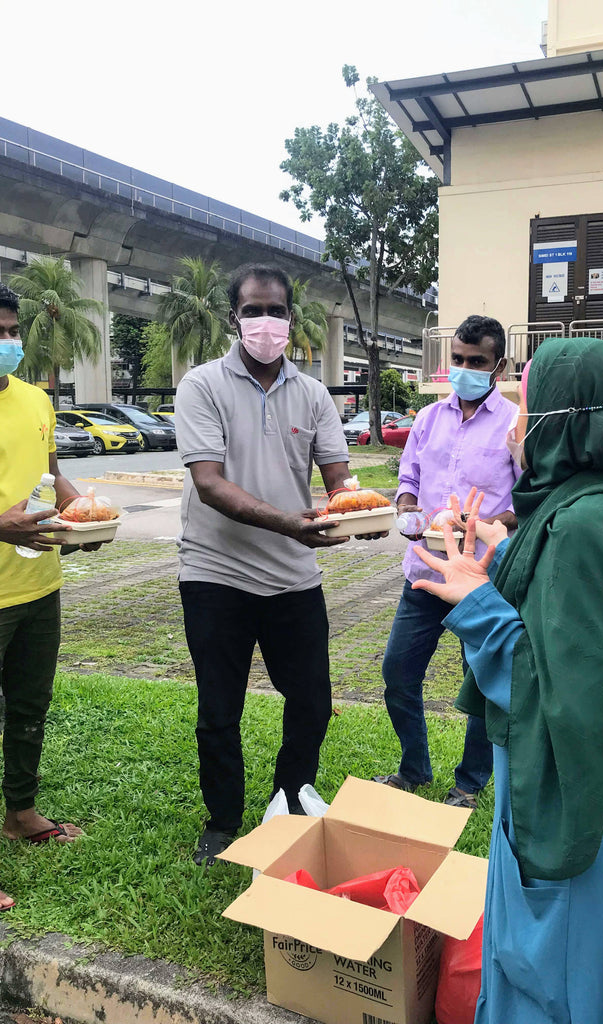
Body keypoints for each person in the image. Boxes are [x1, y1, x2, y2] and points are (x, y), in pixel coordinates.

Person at [414, 336, 603, 1023]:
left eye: (527, 408)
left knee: (569, 989)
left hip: (594, 817)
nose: (514, 423)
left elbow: (564, 699)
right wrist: (503, 547)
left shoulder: (582, 529)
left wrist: (476, 602)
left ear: (563, 422)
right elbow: (576, 624)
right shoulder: (598, 504)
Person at [175, 263, 359, 867]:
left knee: (310, 697)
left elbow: (338, 479)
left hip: (293, 575)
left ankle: (289, 795)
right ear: (235, 318)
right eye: (253, 310)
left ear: (289, 318)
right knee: (219, 707)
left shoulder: (311, 393)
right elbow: (209, 485)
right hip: (215, 572)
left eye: (276, 311)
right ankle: (224, 819)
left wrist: (356, 509)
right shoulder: (202, 385)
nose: (265, 322)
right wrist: (288, 521)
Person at [375, 315, 521, 809]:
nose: (463, 369)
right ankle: (414, 769)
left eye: (476, 362)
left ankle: (470, 783)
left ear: (497, 367)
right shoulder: (428, 418)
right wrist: (405, 509)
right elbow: (408, 479)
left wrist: (480, 523)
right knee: (397, 672)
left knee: (481, 683)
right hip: (423, 572)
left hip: (482, 579)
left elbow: (526, 499)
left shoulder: (512, 425)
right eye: (457, 360)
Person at [0, 282, 97, 900]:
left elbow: (50, 472)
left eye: (10, 331)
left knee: (30, 707)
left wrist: (85, 512)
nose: (6, 343)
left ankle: (21, 812)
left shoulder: (37, 398)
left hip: (39, 584)